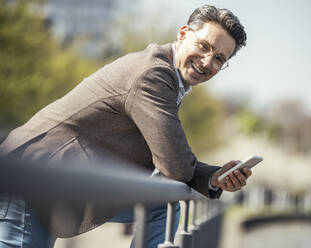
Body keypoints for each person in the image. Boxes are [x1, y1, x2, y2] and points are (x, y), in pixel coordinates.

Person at [0, 5, 250, 248]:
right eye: (204, 46)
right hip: (33, 177)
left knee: (159, 206)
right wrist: (206, 175)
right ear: (183, 34)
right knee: (160, 205)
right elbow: (175, 165)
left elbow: (174, 158)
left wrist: (214, 178)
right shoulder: (153, 74)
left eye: (219, 58)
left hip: (57, 178)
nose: (207, 62)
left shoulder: (167, 76)